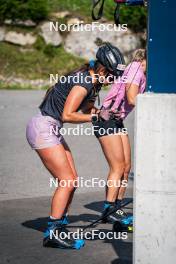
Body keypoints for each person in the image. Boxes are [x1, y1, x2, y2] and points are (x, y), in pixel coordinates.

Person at [26, 43, 125, 249]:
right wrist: (95, 117)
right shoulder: (84, 82)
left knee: (72, 180)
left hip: (50, 127)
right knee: (67, 181)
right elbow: (68, 115)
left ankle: (59, 226)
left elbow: (87, 107)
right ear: (103, 69)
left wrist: (101, 112)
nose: (113, 80)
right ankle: (52, 232)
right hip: (43, 127)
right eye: (113, 75)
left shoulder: (93, 82)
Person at [92, 49, 146, 223]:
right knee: (118, 167)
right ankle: (109, 208)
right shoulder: (137, 68)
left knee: (126, 167)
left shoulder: (137, 70)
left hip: (117, 121)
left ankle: (117, 206)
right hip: (107, 118)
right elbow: (131, 98)